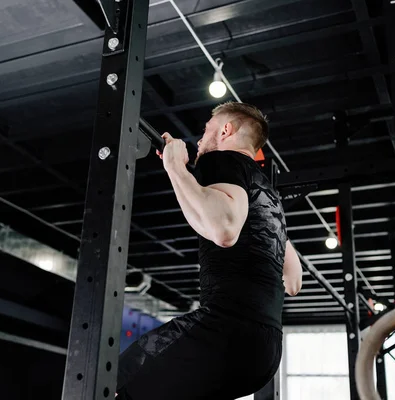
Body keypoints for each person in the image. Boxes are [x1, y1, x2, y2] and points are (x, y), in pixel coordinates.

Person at [116, 102, 303, 400]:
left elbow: (225, 231)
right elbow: (293, 281)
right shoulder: (270, 198)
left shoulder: (221, 159)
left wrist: (176, 167)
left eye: (206, 130)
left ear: (226, 130)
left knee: (113, 380)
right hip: (265, 353)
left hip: (225, 333)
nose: (201, 139)